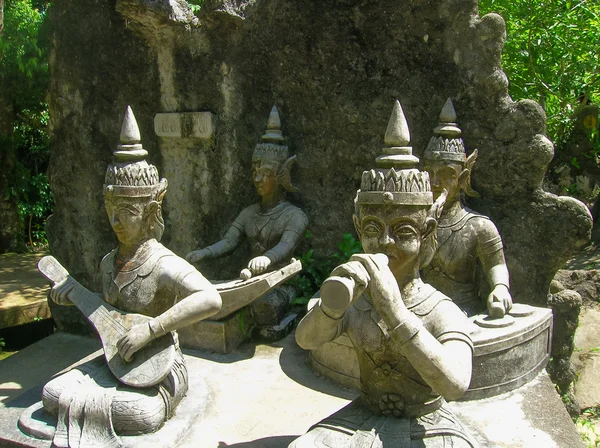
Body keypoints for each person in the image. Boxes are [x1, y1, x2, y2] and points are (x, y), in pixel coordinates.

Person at [291, 100, 477, 448]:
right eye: (374, 228)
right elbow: (306, 341)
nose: (384, 243)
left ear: (426, 233)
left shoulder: (439, 309)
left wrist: (396, 313)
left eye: (403, 232)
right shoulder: (357, 299)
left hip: (427, 419)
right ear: (358, 227)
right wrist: (331, 308)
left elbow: (455, 384)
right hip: (365, 412)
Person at [41, 106, 222, 447]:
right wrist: (71, 296)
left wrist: (151, 329)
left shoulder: (163, 263)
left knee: (141, 413)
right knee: (53, 393)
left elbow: (211, 297)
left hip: (159, 365)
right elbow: (110, 321)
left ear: (151, 211)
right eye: (111, 212)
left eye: (127, 212)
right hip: (117, 361)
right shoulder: (108, 263)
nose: (116, 222)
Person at [186, 106, 308, 279]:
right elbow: (229, 241)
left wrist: (267, 259)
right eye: (254, 172)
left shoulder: (295, 216)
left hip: (281, 280)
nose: (257, 179)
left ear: (282, 175)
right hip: (250, 278)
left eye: (265, 173)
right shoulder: (249, 213)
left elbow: (286, 245)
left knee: (267, 305)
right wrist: (204, 253)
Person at [421, 99, 512, 317]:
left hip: (463, 312)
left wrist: (500, 288)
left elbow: (495, 265)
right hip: (419, 311)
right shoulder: (413, 222)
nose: (435, 183)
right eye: (429, 174)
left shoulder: (478, 226)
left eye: (445, 175)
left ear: (463, 178)